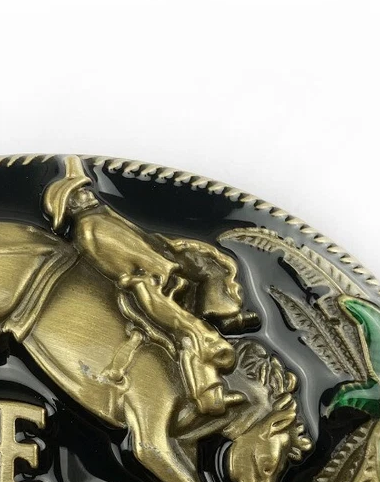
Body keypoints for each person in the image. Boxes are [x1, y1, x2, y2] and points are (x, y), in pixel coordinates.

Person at [42, 157, 238, 412]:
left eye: (84, 189)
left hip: (156, 279)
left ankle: (224, 318)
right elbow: (127, 261)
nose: (86, 194)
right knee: (191, 333)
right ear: (68, 204)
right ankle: (209, 398)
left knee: (198, 314)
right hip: (144, 290)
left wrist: (168, 260)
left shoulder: (101, 219)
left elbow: (142, 244)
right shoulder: (91, 228)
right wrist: (161, 269)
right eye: (77, 194)